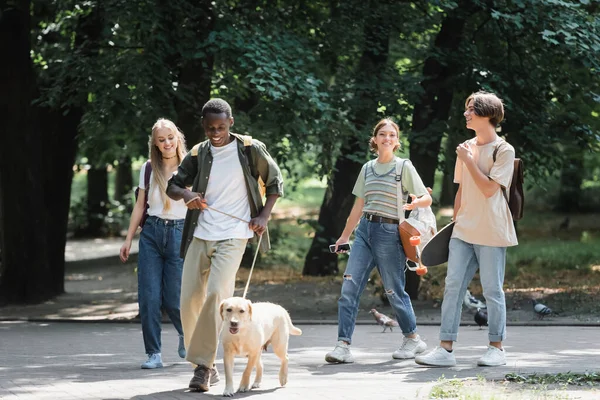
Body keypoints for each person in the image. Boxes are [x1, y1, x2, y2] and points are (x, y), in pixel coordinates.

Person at [166, 98, 284, 392]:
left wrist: (263, 215)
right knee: (189, 300)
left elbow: (275, 183)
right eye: (209, 128)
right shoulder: (198, 153)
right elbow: (172, 185)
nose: (215, 132)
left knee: (218, 294)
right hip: (201, 233)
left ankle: (204, 366)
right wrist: (186, 195)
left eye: (220, 126)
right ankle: (204, 365)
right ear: (203, 126)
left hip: (235, 233)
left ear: (231, 122)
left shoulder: (249, 149)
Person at [415, 91, 518, 367]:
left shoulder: (504, 150)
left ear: (487, 114)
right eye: (466, 109)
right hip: (463, 230)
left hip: (492, 230)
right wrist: (455, 221)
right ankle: (445, 349)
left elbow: (487, 189)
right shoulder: (465, 146)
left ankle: (496, 348)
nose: (466, 113)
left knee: (492, 290)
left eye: (471, 109)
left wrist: (470, 159)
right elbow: (461, 190)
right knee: (453, 287)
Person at [325, 118, 432, 364]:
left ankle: (413, 338)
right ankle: (342, 345)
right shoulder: (367, 168)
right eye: (382, 134)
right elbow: (358, 206)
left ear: (397, 141)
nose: (387, 138)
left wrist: (415, 202)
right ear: (374, 139)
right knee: (348, 289)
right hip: (364, 231)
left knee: (394, 290)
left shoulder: (403, 167)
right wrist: (344, 236)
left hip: (389, 232)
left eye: (392, 135)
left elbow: (426, 198)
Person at [119, 118, 188, 369]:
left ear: (177, 137)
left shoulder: (191, 165)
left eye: (170, 137)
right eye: (161, 140)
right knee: (148, 297)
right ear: (155, 144)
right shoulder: (148, 168)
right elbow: (140, 205)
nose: (167, 143)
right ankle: (154, 354)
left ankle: (186, 334)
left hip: (179, 234)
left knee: (174, 298)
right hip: (151, 234)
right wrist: (128, 239)